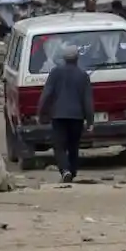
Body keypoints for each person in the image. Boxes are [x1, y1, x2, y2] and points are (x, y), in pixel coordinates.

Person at [37, 43, 94, 183]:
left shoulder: (55, 73)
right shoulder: (83, 75)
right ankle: (72, 172)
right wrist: (90, 121)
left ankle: (65, 170)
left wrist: (40, 113)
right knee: (73, 145)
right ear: (77, 58)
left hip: (58, 115)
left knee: (59, 146)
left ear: (63, 58)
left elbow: (46, 94)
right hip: (77, 117)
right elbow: (87, 100)